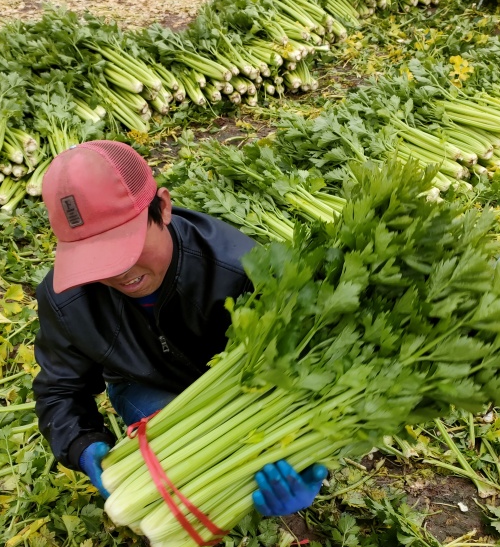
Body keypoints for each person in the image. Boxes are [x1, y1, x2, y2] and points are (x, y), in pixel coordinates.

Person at [33, 139, 327, 522]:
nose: (118, 273)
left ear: (165, 207)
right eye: (95, 259)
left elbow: (304, 379)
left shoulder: (245, 272)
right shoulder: (66, 297)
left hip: (243, 398)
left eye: (125, 246)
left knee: (247, 466)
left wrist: (304, 460)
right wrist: (84, 447)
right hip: (143, 383)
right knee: (187, 466)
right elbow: (59, 390)